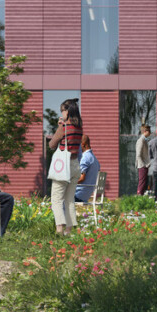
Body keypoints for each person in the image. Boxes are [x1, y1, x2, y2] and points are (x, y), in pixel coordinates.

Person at [46, 98, 82, 235]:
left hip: (63, 167)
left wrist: (59, 127)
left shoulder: (64, 127)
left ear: (68, 111)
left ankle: (59, 230)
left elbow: (52, 144)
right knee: (69, 200)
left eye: (63, 111)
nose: (62, 113)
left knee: (56, 199)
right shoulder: (79, 127)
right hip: (75, 165)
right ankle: (69, 230)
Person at [73, 134, 101, 204]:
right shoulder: (95, 159)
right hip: (87, 194)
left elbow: (82, 178)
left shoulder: (85, 158)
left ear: (83, 144)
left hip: (79, 195)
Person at [134, 124, 152, 198]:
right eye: (149, 131)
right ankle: (139, 198)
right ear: (145, 131)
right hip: (142, 166)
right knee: (142, 183)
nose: (150, 132)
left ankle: (142, 198)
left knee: (144, 183)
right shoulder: (141, 141)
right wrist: (143, 165)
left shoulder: (145, 140)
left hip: (145, 166)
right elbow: (138, 155)